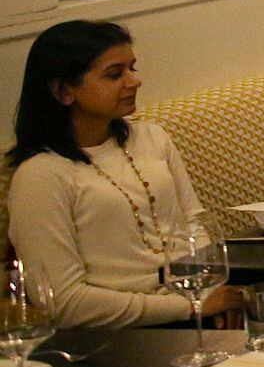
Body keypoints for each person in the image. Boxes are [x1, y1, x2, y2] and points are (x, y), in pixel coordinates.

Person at [7, 21, 241, 329]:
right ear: (63, 91)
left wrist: (209, 291)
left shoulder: (151, 137)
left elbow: (194, 223)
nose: (134, 81)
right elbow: (62, 303)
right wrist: (186, 308)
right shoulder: (41, 175)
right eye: (115, 75)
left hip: (192, 307)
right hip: (122, 332)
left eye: (132, 68)